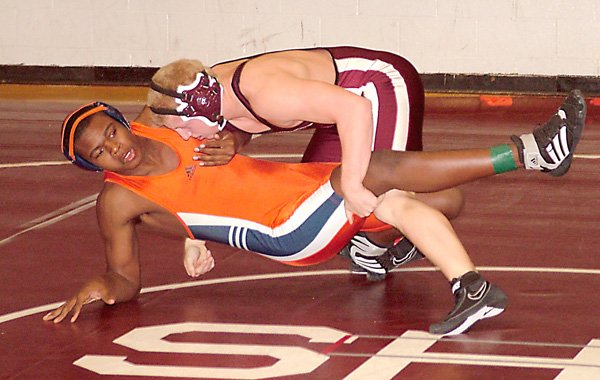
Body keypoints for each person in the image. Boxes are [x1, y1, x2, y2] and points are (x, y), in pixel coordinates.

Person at [44, 91, 585, 336]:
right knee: (379, 168)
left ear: (121, 122)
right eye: (99, 153)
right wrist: (102, 287)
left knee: (440, 202)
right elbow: (124, 275)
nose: (115, 150)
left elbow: (223, 136)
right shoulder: (118, 199)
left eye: (110, 134)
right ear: (94, 168)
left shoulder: (160, 125)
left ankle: (429, 272)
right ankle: (529, 152)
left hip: (302, 189)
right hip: (289, 228)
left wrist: (230, 143)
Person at [143, 48, 453, 279]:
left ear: (201, 109)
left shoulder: (267, 93)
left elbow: (354, 109)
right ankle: (414, 218)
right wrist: (192, 239)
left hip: (373, 90)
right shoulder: (214, 92)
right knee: (320, 202)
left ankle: (443, 255)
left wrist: (352, 182)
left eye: (183, 126)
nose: (183, 135)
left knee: (378, 191)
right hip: (335, 111)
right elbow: (205, 178)